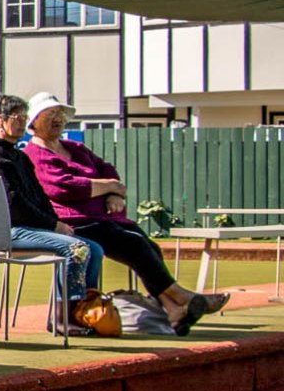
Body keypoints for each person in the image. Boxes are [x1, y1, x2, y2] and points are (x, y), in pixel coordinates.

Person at [20, 92, 228, 333]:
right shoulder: (35, 155)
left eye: (60, 114)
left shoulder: (75, 147)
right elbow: (62, 186)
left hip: (106, 218)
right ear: (34, 122)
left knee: (150, 247)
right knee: (135, 245)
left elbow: (107, 169)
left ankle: (174, 310)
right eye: (50, 115)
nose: (58, 119)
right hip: (75, 222)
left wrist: (114, 193)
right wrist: (109, 186)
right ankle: (181, 298)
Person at [0, 93, 104, 330]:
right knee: (77, 248)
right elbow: (13, 205)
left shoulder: (19, 157)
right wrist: (53, 226)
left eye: (25, 116)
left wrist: (58, 223)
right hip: (6, 231)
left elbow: (39, 199)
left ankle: (83, 310)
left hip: (26, 228)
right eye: (17, 117)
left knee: (95, 248)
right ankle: (63, 318)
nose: (23, 122)